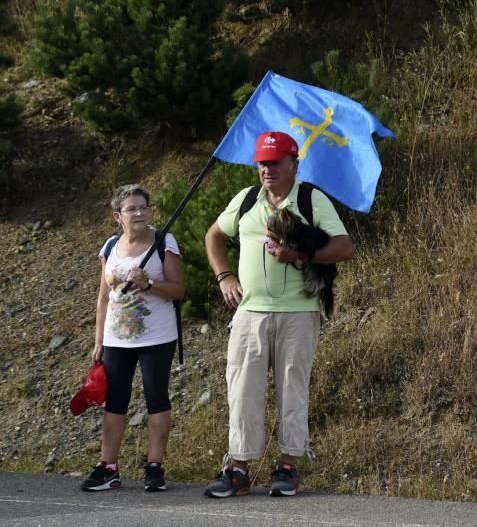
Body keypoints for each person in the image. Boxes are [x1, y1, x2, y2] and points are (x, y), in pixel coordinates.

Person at [203, 131, 354, 498]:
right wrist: (224, 276)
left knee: (292, 388)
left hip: (299, 311)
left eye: (275, 162)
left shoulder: (310, 198)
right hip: (250, 311)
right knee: (242, 389)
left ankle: (287, 466)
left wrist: (298, 256)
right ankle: (238, 468)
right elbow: (214, 236)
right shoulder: (246, 199)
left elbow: (343, 247)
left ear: (293, 164)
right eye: (262, 163)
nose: (267, 169)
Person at [80, 184, 185, 492]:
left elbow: (179, 290)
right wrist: (99, 339)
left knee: (156, 397)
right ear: (117, 216)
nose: (140, 213)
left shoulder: (165, 242)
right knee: (115, 401)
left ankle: (155, 467)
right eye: (132, 209)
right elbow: (103, 297)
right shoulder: (110, 246)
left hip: (157, 336)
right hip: (117, 339)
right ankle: (108, 466)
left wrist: (149, 283)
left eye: (144, 207)